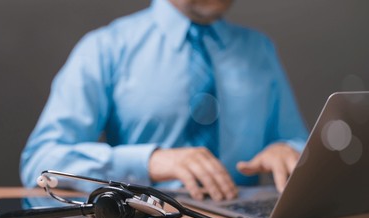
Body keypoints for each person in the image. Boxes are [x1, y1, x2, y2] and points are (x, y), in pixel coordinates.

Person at [20, 0, 309, 201]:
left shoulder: (259, 49)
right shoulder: (105, 48)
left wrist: (288, 150)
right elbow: (41, 163)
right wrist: (150, 161)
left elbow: (298, 141)